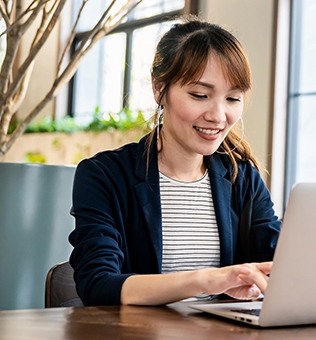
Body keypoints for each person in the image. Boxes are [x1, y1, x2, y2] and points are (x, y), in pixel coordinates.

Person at [69, 17, 281, 306]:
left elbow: (281, 261)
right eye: (200, 95)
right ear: (159, 89)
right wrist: (206, 280)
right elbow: (98, 283)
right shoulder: (104, 175)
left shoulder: (241, 177)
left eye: (232, 98)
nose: (218, 116)